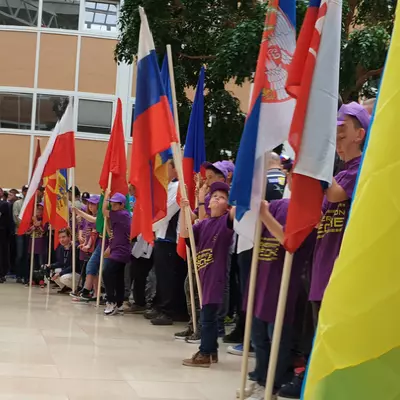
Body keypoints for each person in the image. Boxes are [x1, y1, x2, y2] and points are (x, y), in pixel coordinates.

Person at [238, 174, 315, 400]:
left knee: (278, 339)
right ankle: (262, 379)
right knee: (258, 337)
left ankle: (273, 384)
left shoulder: (308, 212)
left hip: (285, 286)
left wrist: (265, 215)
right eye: (292, 175)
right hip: (262, 279)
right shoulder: (276, 205)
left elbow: (289, 241)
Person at [225, 152, 285, 355]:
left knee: (252, 294)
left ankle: (253, 342)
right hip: (276, 243)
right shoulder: (287, 180)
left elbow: (237, 213)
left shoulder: (260, 183)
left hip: (253, 243)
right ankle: (259, 342)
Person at [181, 181, 234, 368]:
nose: (216, 199)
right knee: (208, 317)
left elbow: (235, 212)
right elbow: (185, 234)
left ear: (227, 204)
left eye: (222, 197)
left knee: (208, 318)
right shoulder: (203, 224)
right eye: (214, 196)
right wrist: (184, 210)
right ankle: (212, 352)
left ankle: (204, 353)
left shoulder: (226, 221)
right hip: (204, 276)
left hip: (215, 277)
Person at [146, 160, 187, 326]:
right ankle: (163, 306)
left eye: (166, 168)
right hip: (162, 236)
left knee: (169, 276)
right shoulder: (167, 187)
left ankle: (168, 310)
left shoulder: (178, 188)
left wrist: (150, 225)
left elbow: (166, 211)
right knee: (162, 276)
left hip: (170, 239)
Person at [102, 191, 132, 316]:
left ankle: (111, 301)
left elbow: (104, 211)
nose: (112, 206)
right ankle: (119, 304)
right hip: (119, 249)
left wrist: (106, 196)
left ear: (122, 205)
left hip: (121, 251)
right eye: (111, 204)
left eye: (114, 204)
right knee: (118, 277)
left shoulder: (121, 214)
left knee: (107, 272)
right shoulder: (122, 215)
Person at [73, 198, 108, 302]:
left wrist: (80, 212)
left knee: (99, 270)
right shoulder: (90, 217)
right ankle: (92, 293)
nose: (90, 206)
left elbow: (94, 229)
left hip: (101, 244)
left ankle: (96, 293)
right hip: (97, 245)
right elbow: (89, 233)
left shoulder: (99, 216)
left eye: (93, 204)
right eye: (89, 204)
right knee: (93, 269)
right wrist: (86, 243)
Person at [47, 228, 81, 293]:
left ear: (69, 236)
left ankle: (78, 288)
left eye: (63, 237)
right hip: (68, 271)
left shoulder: (75, 247)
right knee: (53, 274)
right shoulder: (61, 248)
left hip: (76, 272)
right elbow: (61, 262)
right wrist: (50, 266)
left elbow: (74, 266)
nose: (61, 240)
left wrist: (60, 273)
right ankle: (66, 287)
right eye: (59, 238)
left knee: (63, 277)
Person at [26, 203, 48, 274]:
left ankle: (41, 278)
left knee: (41, 262)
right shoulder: (31, 219)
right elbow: (27, 231)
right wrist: (35, 224)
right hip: (32, 243)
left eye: (41, 209)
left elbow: (43, 231)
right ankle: (32, 278)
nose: (38, 211)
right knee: (32, 262)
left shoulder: (45, 220)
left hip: (41, 244)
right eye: (37, 209)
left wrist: (36, 223)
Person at [13, 185, 29, 284]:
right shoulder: (17, 203)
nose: (26, 192)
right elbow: (16, 217)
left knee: (26, 255)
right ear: (22, 192)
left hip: (29, 232)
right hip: (19, 231)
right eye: (25, 191)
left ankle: (25, 275)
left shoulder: (31, 203)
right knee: (19, 254)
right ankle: (18, 275)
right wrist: (23, 227)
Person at [0, 197, 12, 282]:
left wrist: (8, 232)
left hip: (2, 233)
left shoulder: (4, 205)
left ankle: (1, 274)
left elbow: (8, 220)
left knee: (2, 253)